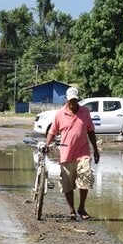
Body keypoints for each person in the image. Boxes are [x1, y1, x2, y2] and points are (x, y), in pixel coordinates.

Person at [46, 87, 100, 221]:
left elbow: (91, 131)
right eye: (71, 100)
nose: (73, 103)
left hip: (83, 152)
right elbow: (52, 132)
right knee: (67, 183)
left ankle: (81, 208)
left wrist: (96, 149)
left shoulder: (85, 111)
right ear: (66, 100)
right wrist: (47, 145)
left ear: (78, 99)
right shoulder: (60, 114)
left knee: (85, 179)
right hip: (66, 154)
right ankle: (71, 210)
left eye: (75, 100)